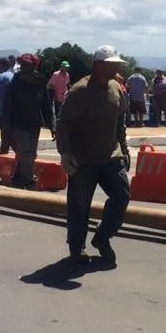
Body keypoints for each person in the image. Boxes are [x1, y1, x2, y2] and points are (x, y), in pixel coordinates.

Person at [56, 45, 131, 265]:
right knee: (79, 206)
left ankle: (103, 237)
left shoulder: (116, 88)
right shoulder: (80, 90)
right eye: (112, 64)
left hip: (110, 156)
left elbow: (121, 123)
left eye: (117, 64)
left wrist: (124, 149)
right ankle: (76, 248)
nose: (116, 67)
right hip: (83, 159)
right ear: (98, 65)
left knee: (122, 195)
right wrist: (65, 153)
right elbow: (63, 124)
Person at [1, 54, 55, 189]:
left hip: (34, 125)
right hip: (18, 124)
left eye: (28, 65)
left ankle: (18, 182)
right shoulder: (14, 83)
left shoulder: (40, 83)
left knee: (31, 154)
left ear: (34, 67)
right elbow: (7, 108)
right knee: (26, 153)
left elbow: (47, 106)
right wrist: (5, 130)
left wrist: (52, 125)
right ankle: (30, 181)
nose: (24, 67)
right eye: (23, 64)